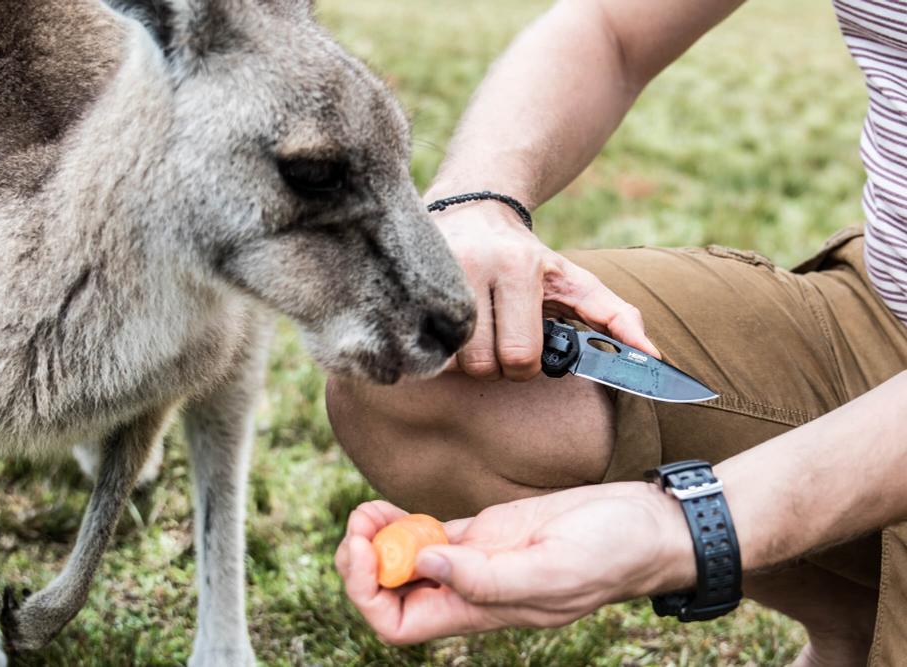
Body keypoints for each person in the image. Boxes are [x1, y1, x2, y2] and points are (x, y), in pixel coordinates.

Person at [327, 0, 907, 664]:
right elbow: (611, 26)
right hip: (884, 305)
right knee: (420, 375)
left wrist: (684, 527)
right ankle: (857, 616)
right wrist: (474, 201)